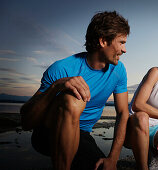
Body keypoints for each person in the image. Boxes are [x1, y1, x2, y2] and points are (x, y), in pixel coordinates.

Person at [20, 11, 130, 170]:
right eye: (121, 42)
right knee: (74, 99)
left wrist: (113, 157)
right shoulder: (61, 68)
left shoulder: (118, 70)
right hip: (47, 132)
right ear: (103, 41)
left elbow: (123, 113)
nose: (125, 49)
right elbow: (26, 122)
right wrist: (56, 86)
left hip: (82, 135)